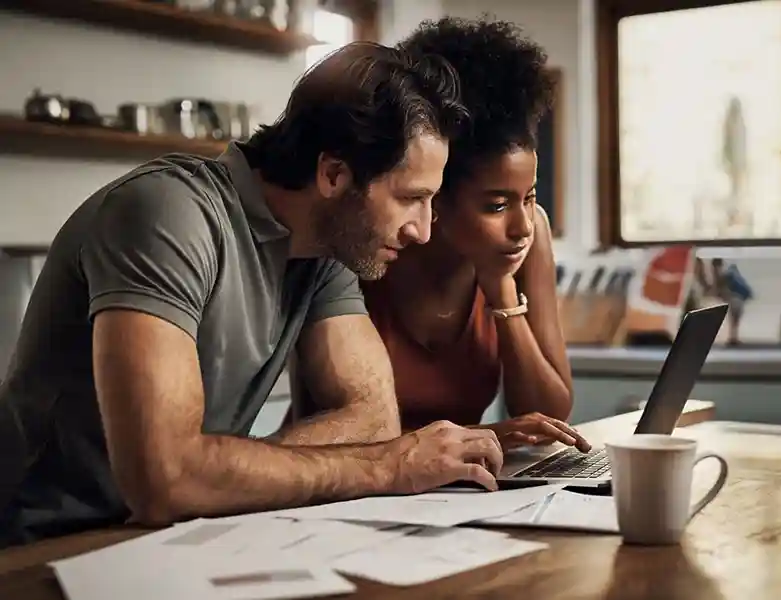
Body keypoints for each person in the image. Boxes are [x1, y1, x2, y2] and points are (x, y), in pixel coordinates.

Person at [0, 42, 505, 548]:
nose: (421, 230)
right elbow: (166, 481)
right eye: (410, 198)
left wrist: (223, 474)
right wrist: (384, 469)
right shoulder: (167, 214)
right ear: (333, 175)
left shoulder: (327, 249)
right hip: (37, 547)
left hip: (165, 539)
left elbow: (373, 421)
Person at [295, 18, 590, 453]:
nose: (522, 226)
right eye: (495, 205)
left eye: (527, 197)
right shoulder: (365, 245)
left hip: (450, 493)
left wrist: (501, 293)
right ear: (435, 195)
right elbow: (325, 427)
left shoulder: (527, 240)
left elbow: (550, 413)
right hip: (342, 488)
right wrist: (475, 438)